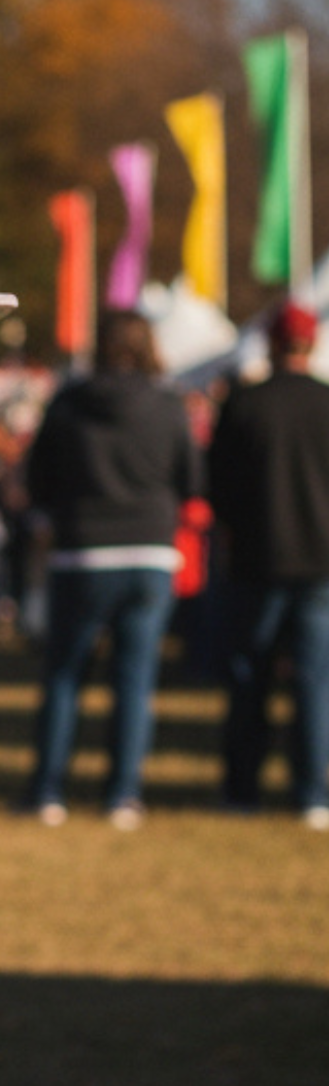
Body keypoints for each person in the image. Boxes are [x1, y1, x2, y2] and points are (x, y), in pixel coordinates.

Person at [25, 309, 201, 827]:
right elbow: (191, 479)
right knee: (134, 680)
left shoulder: (68, 403)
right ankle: (123, 795)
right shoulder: (168, 406)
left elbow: (38, 480)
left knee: (64, 676)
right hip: (149, 553)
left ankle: (47, 793)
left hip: (82, 552)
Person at [209, 299, 329, 827]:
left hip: (257, 559)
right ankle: (311, 795)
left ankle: (242, 790)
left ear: (273, 344)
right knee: (314, 683)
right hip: (320, 564)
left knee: (249, 679)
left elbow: (220, 487)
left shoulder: (244, 404)